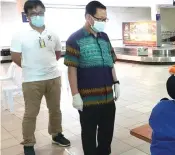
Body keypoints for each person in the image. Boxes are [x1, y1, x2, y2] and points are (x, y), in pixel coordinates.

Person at [10, 0, 70, 154]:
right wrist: (32, 67)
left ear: (44, 13)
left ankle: (57, 134)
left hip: (53, 78)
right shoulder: (20, 35)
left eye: (40, 13)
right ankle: (28, 143)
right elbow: (16, 56)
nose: (37, 16)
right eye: (33, 14)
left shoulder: (52, 33)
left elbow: (57, 53)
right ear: (27, 16)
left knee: (55, 109)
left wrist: (46, 66)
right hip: (32, 81)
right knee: (31, 113)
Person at [64, 1, 120, 155]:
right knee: (89, 135)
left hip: (108, 97)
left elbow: (110, 62)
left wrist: (116, 82)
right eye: (100, 19)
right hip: (88, 99)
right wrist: (75, 95)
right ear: (89, 17)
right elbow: (72, 70)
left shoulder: (105, 37)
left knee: (106, 134)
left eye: (105, 19)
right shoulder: (74, 39)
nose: (103, 22)